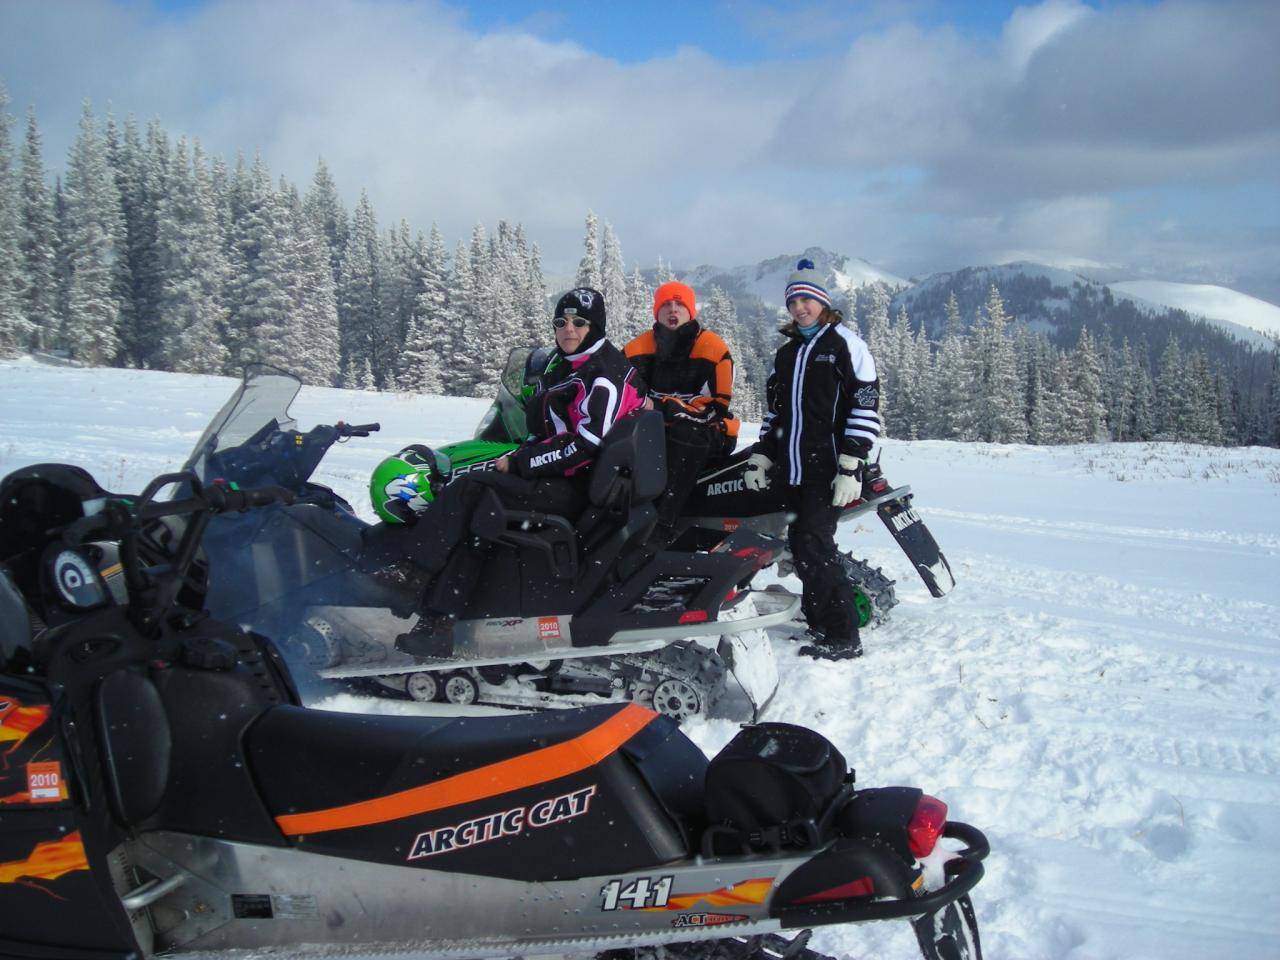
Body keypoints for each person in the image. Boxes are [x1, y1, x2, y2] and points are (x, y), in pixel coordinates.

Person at [386, 287, 645, 657]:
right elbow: (553, 429)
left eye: (579, 322)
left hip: (579, 486)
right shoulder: (573, 364)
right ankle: (440, 621)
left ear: (596, 326)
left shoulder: (604, 374)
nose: (568, 329)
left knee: (468, 487)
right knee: (483, 511)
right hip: (568, 476)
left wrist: (522, 462)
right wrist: (526, 451)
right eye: (561, 322)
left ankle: (412, 574)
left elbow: (585, 445)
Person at [743, 259, 882, 659]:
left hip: (830, 469)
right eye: (793, 301)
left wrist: (852, 464)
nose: (800, 307)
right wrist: (762, 456)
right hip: (792, 469)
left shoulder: (846, 346)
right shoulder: (787, 354)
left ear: (823, 301)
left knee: (814, 545)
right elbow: (776, 413)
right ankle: (821, 623)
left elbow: (865, 410)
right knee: (802, 549)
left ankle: (843, 636)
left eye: (807, 299)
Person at [623, 281, 738, 541]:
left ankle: (660, 527)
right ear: (656, 311)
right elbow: (625, 397)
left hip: (708, 430)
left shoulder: (712, 348)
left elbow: (718, 404)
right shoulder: (636, 350)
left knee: (687, 434)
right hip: (654, 431)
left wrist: (669, 408)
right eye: (666, 304)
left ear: (690, 311)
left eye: (679, 304)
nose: (673, 310)